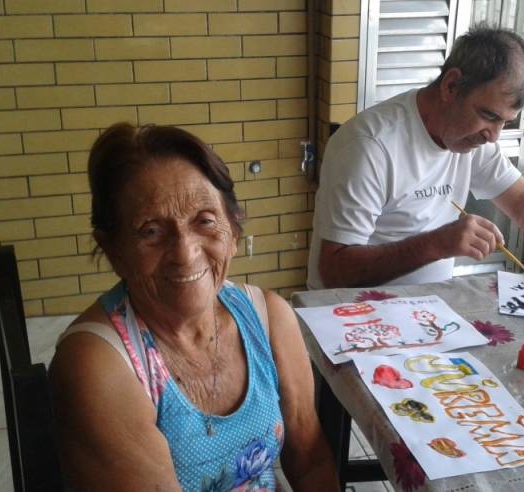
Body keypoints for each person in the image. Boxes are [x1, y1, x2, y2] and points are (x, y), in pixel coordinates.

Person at [49, 123, 339, 491]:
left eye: (204, 220)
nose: (185, 253)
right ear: (114, 251)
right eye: (151, 231)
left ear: (233, 233)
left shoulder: (268, 318)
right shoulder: (98, 365)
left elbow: (312, 463)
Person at [307, 26, 524, 289]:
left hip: (429, 313)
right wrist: (436, 244)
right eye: (488, 115)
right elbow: (333, 271)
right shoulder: (370, 146)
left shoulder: (473, 140)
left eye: (506, 122)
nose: (493, 136)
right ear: (451, 86)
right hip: (350, 317)